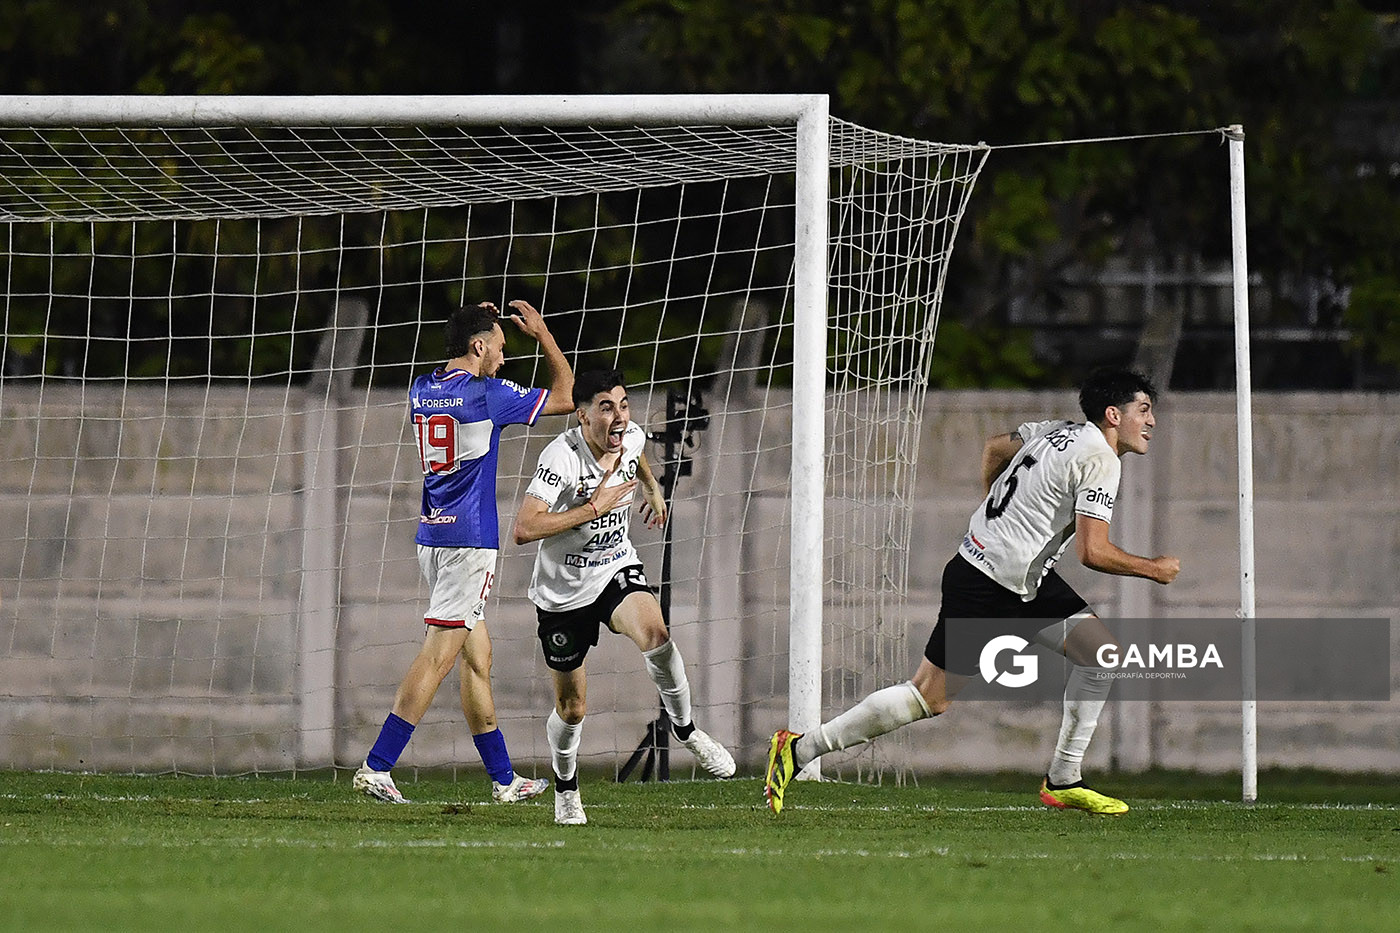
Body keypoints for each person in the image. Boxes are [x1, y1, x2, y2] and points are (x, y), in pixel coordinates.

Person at [765, 368, 1180, 816]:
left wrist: (993, 510)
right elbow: (1092, 551)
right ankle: (799, 750)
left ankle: (1064, 779)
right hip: (988, 586)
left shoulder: (1057, 432)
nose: (1151, 421)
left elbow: (995, 447)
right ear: (1113, 414)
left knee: (1100, 655)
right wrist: (1153, 569)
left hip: (1018, 578)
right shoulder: (1102, 460)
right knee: (929, 697)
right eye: (1144, 410)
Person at [353, 299, 574, 805]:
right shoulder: (488, 394)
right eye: (498, 347)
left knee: (479, 657)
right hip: (469, 544)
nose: (503, 357)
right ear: (478, 347)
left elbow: (455, 365)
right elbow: (566, 394)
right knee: (438, 658)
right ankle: (377, 765)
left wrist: (472, 324)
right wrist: (540, 334)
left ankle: (504, 780)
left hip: (432, 537)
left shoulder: (422, 388)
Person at [513, 368, 736, 825]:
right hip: (563, 590)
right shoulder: (561, 459)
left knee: (656, 633)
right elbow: (524, 528)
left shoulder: (630, 435)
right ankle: (566, 787)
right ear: (582, 415)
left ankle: (687, 729)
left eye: (624, 404)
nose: (619, 417)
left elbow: (637, 457)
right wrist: (593, 507)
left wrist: (653, 490)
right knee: (572, 709)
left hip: (613, 565)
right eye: (606, 407)